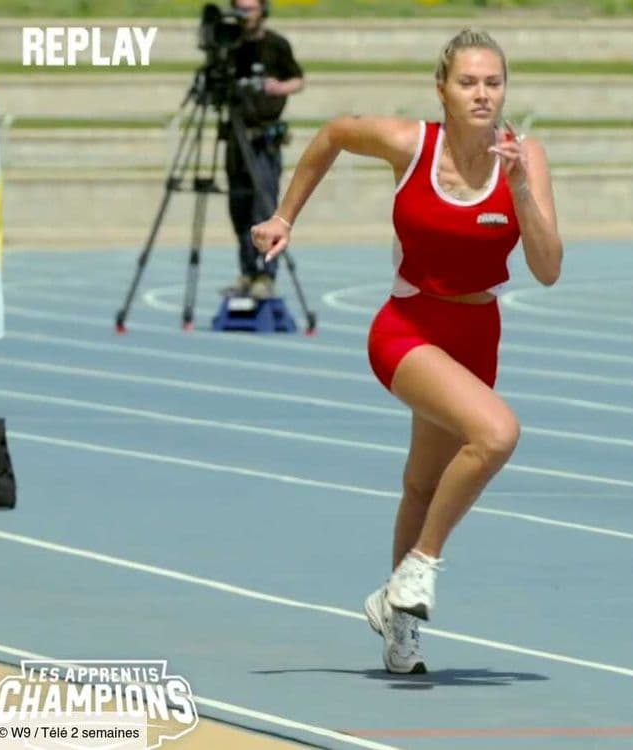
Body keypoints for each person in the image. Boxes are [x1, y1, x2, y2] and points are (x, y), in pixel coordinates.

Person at [250, 29, 562, 675]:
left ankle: (398, 630)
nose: (482, 94)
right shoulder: (409, 144)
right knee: (498, 433)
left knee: (422, 484)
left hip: (478, 334)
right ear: (443, 90)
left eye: (493, 82)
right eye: (468, 82)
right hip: (408, 330)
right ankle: (418, 569)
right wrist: (285, 216)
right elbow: (335, 132)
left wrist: (522, 188)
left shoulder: (525, 153)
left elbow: (549, 267)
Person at [221, 0, 305, 300]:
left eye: (251, 8)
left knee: (265, 209)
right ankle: (247, 271)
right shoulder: (229, 46)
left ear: (262, 11)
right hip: (235, 138)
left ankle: (266, 276)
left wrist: (279, 88)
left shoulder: (276, 45)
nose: (245, 15)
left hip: (264, 140)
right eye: (240, 8)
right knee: (239, 211)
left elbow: (298, 79)